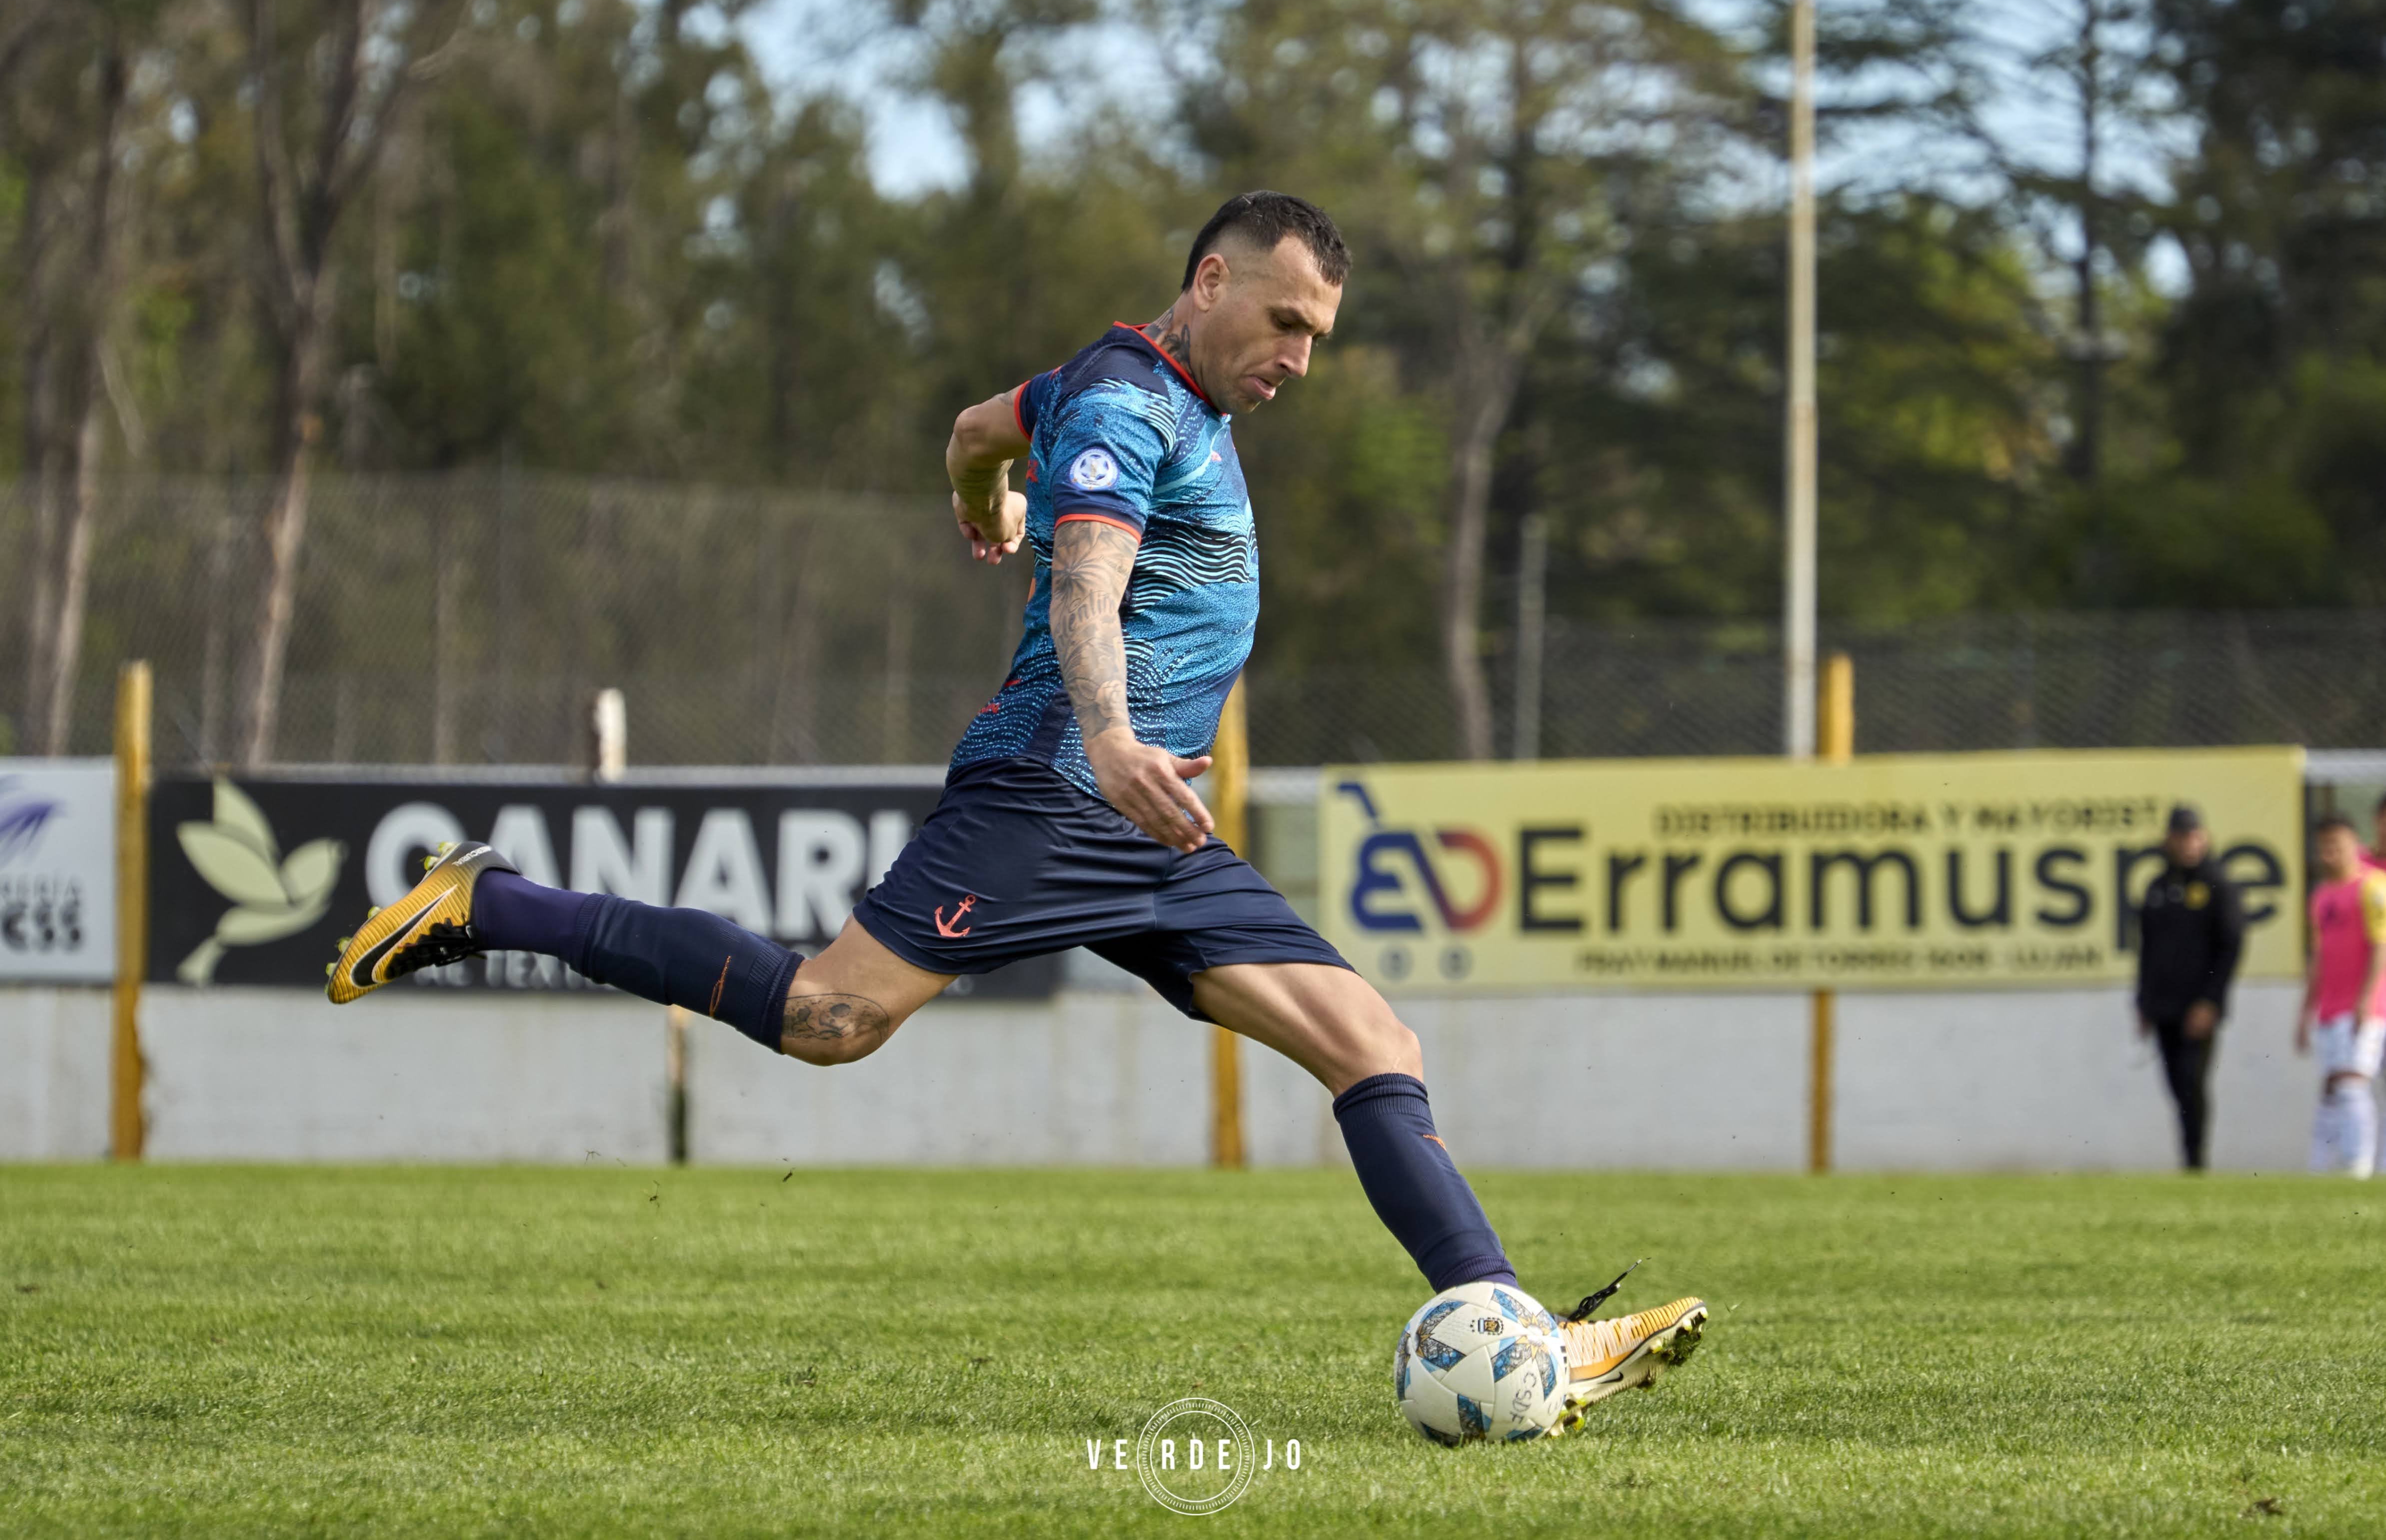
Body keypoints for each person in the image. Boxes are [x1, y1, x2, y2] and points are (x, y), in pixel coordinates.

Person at [320, 191, 1704, 1436]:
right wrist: (1106, 736)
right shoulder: (1122, 408)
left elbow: (978, 428)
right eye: (1282, 321)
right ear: (1208, 279)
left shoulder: (1102, 388)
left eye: (1317, 337)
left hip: (1147, 824)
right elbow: (1084, 590)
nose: (1296, 359)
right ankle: (483, 902)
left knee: (1369, 1041)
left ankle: (1518, 1337)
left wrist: (981, 494)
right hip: (1057, 794)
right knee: (828, 1019)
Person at [2134, 805, 2244, 1170]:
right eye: (2180, 836)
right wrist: (2143, 1004)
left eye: (2194, 835)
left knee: (2190, 1082)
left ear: (2205, 837)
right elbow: (2147, 950)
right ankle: (2188, 1158)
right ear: (2168, 840)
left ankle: (2196, 1161)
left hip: (2198, 1007)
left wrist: (2209, 1002)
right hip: (2163, 1006)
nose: (2187, 844)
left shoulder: (2218, 884)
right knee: (2174, 1086)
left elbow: (2230, 947)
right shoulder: (2157, 888)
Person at [2299, 816, 2386, 1178]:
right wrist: (2304, 1012)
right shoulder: (2320, 897)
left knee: (2352, 1085)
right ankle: (2319, 1169)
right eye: (2324, 847)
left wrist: (2366, 1001)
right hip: (2329, 1010)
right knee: (2332, 1091)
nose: (2330, 854)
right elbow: (2319, 957)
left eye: (2337, 845)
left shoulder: (2373, 887)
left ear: (2355, 844)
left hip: (2365, 1008)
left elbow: (2380, 946)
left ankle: (2358, 1167)